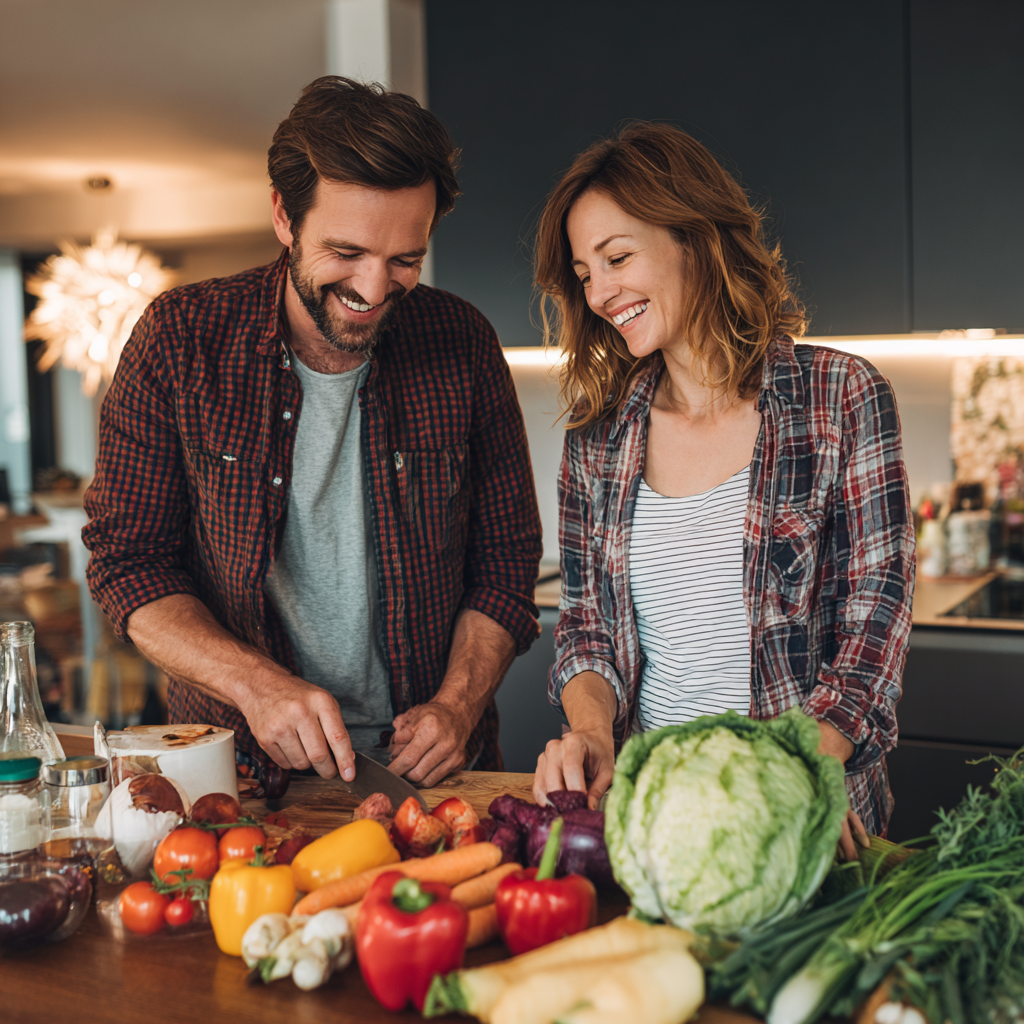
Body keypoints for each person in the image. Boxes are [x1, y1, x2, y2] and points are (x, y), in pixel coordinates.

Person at [84, 77, 542, 787]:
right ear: (282, 216)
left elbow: (507, 563)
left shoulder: (464, 343)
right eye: (346, 252)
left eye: (404, 260)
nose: (374, 288)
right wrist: (254, 684)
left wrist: (458, 705)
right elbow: (129, 564)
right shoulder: (179, 341)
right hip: (235, 771)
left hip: (441, 774)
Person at [531, 123, 914, 852]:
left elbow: (875, 620)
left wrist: (794, 771)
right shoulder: (598, 438)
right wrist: (591, 731)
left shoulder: (842, 398)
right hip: (655, 819)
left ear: (694, 239)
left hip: (804, 815)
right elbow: (586, 624)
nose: (602, 293)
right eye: (585, 275)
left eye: (617, 258)